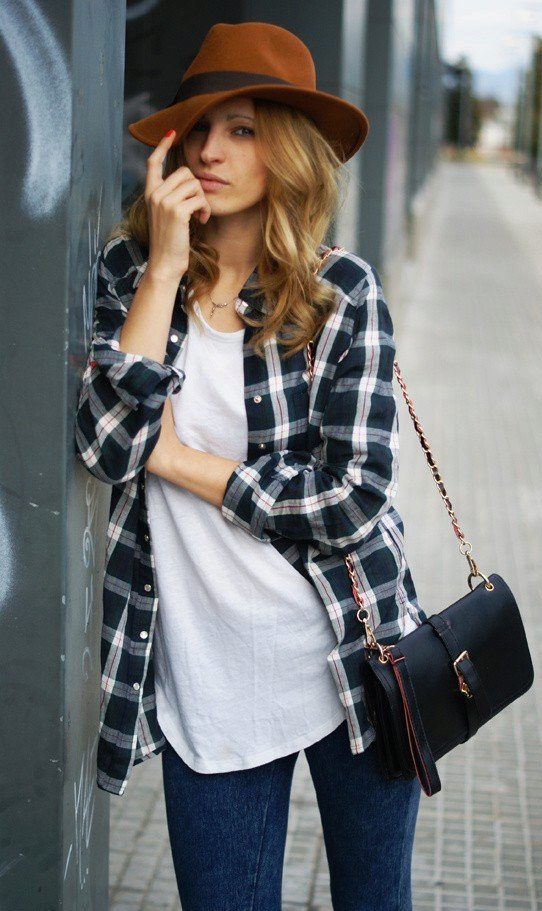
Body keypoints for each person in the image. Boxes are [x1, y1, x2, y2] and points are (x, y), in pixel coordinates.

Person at [75, 21, 428, 911]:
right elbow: (109, 447)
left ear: (290, 150)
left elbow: (354, 496)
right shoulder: (128, 271)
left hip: (349, 657)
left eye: (242, 128)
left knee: (375, 899)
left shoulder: (342, 293)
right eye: (199, 128)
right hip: (209, 680)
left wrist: (183, 461)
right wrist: (164, 268)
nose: (210, 150)